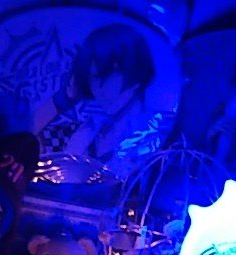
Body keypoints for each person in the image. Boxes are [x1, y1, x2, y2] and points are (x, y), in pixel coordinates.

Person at [32, 23, 157, 164]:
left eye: (105, 77)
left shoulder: (154, 132)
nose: (98, 90)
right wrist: (63, 97)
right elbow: (24, 141)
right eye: (91, 79)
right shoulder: (87, 130)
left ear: (133, 70)